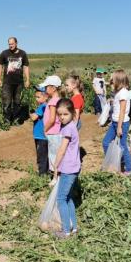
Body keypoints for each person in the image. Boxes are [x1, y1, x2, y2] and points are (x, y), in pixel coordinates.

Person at [52, 98, 81, 238]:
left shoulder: (68, 129)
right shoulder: (73, 125)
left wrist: (55, 166)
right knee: (68, 198)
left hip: (68, 168)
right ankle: (73, 228)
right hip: (74, 167)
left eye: (65, 114)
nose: (62, 117)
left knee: (61, 199)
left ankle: (65, 230)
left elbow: (62, 150)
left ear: (72, 114)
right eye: (60, 114)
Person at [102, 69, 131, 176]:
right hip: (115, 122)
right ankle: (113, 162)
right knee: (105, 142)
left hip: (121, 123)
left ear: (118, 80)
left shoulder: (123, 93)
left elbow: (122, 111)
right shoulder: (118, 92)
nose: (111, 81)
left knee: (123, 146)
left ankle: (128, 170)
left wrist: (119, 127)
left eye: (112, 79)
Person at [0, 37, 30, 124]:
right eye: (9, 44)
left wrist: (27, 80)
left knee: (17, 102)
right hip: (7, 82)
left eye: (12, 44)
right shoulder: (4, 53)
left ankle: (16, 119)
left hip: (19, 82)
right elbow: (0, 65)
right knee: (6, 102)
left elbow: (26, 67)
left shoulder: (23, 54)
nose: (10, 45)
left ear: (16, 43)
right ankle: (7, 120)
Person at [40, 75, 63, 172]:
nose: (45, 89)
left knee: (53, 155)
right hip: (56, 132)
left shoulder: (53, 101)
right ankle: (57, 175)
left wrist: (45, 129)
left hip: (52, 132)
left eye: (46, 87)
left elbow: (52, 119)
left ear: (53, 88)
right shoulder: (58, 100)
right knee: (56, 154)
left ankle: (56, 176)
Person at [29, 86, 50, 175]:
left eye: (38, 97)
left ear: (45, 97)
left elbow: (34, 118)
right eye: (36, 97)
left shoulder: (42, 107)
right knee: (44, 154)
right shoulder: (45, 106)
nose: (36, 99)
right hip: (41, 135)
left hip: (41, 135)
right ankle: (45, 170)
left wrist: (30, 113)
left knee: (41, 154)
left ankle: (42, 173)